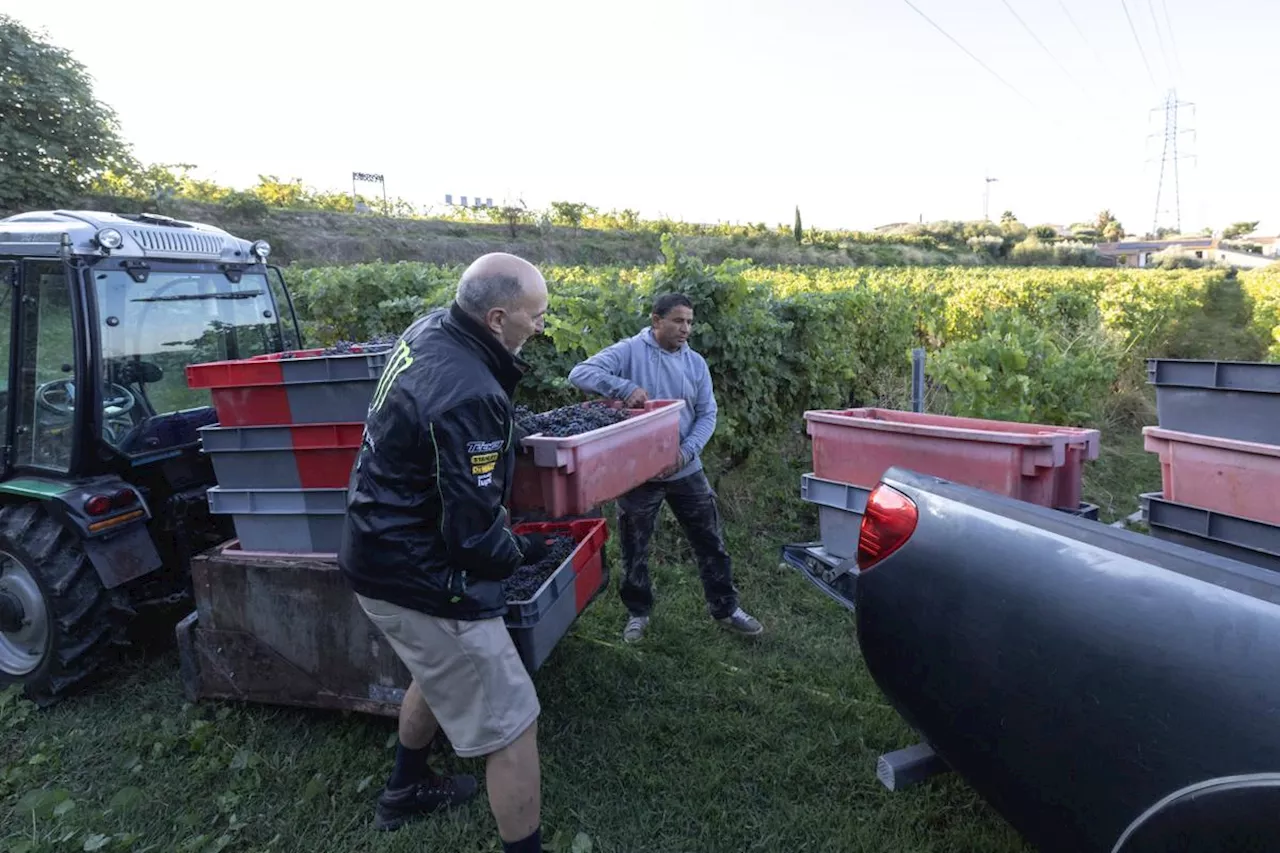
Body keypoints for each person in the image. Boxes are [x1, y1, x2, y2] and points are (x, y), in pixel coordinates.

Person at [338, 252, 553, 853]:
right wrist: (522, 551)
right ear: (496, 316)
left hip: (374, 547)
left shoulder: (430, 328)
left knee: (434, 673)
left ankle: (404, 791)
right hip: (421, 575)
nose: (542, 326)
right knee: (513, 722)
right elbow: (472, 537)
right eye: (536, 316)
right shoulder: (471, 393)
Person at [567, 292, 763, 644]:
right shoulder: (629, 351)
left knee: (710, 540)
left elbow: (708, 414)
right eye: (678, 320)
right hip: (637, 473)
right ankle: (638, 613)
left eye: (689, 321)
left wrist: (685, 453)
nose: (685, 328)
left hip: (685, 468)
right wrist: (623, 387)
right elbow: (579, 373)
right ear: (656, 321)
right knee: (634, 546)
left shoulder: (696, 364)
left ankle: (726, 608)